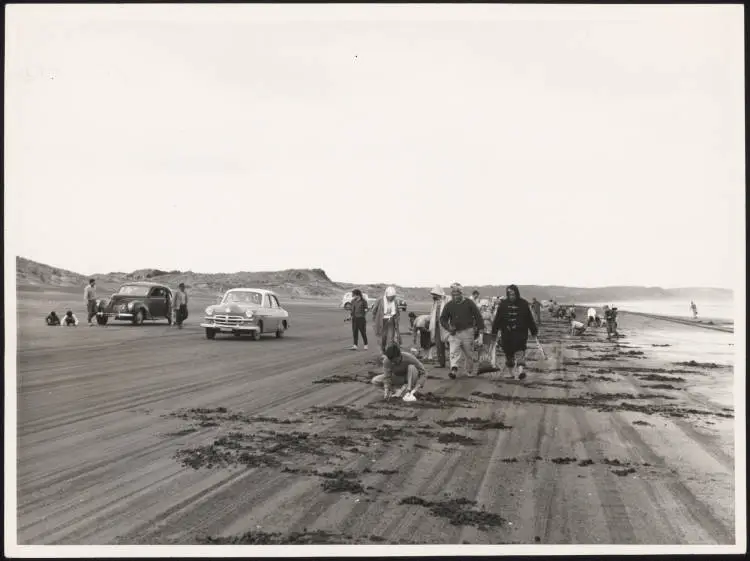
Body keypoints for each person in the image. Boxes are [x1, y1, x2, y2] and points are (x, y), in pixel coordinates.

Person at [491, 284, 538, 380]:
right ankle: (511, 373)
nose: (512, 296)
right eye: (509, 294)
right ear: (507, 294)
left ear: (517, 293)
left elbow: (529, 319)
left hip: (520, 332)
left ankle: (521, 372)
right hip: (506, 333)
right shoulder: (503, 304)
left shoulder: (524, 304)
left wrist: (534, 331)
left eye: (513, 294)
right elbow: (497, 319)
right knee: (508, 354)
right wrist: (494, 332)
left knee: (520, 351)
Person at [440, 283, 484, 379]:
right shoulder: (449, 305)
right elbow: (442, 319)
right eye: (453, 295)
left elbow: (478, 317)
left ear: (461, 294)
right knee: (453, 352)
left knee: (469, 353)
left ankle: (469, 370)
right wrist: (448, 327)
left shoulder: (469, 303)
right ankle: (454, 370)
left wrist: (480, 331)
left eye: (457, 294)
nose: (455, 296)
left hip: (468, 331)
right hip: (454, 333)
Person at [428, 286, 448, 367]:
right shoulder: (435, 303)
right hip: (436, 326)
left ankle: (454, 364)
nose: (433, 296)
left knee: (449, 343)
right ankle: (441, 363)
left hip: (445, 326)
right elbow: (432, 315)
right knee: (438, 344)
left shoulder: (446, 301)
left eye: (435, 294)